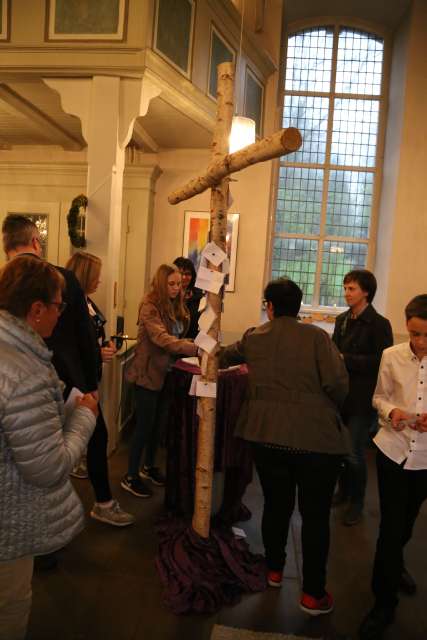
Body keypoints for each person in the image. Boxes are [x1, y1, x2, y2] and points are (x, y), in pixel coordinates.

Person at [220, 277, 349, 616]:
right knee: (316, 516)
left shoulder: (254, 337)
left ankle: (274, 570)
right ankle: (312, 594)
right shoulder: (318, 337)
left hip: (267, 435)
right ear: (299, 305)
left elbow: (222, 357)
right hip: (316, 439)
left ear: (270, 307)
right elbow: (337, 383)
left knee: (276, 506)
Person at [0, 256, 98, 640]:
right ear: (36, 309)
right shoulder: (23, 372)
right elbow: (49, 467)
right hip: (7, 524)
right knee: (9, 606)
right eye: (59, 305)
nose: (61, 314)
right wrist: (84, 416)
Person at [359, 295, 427, 640]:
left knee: (406, 525)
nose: (420, 343)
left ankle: (396, 563)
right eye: (415, 334)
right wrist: (393, 413)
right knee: (390, 527)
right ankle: (382, 604)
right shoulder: (391, 356)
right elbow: (378, 398)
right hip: (392, 450)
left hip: (426, 459)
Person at [65, 251, 135, 527]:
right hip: (77, 386)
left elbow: (89, 340)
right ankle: (103, 504)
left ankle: (100, 501)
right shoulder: (71, 306)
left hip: (87, 382)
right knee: (98, 437)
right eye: (96, 276)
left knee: (95, 438)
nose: (100, 281)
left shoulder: (86, 303)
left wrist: (102, 350)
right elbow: (73, 346)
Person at [122, 263, 198, 498]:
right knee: (144, 427)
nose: (177, 288)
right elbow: (162, 339)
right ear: (161, 283)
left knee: (158, 426)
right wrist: (195, 348)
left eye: (179, 283)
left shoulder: (172, 304)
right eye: (172, 284)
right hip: (147, 374)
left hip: (165, 372)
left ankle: (149, 467)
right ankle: (130, 476)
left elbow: (180, 329)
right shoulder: (150, 305)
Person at [332, 269, 393, 525]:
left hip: (363, 397)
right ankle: (344, 492)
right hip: (342, 395)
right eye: (345, 288)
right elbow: (334, 350)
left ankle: (357, 502)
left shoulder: (379, 324)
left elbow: (383, 360)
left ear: (366, 292)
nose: (347, 293)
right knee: (340, 449)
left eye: (352, 289)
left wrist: (347, 360)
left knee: (354, 452)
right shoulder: (342, 319)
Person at [173, 256, 204, 339]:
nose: (184, 277)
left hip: (194, 342)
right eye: (181, 273)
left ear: (192, 276)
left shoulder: (199, 295)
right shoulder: (169, 295)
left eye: (187, 274)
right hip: (172, 343)